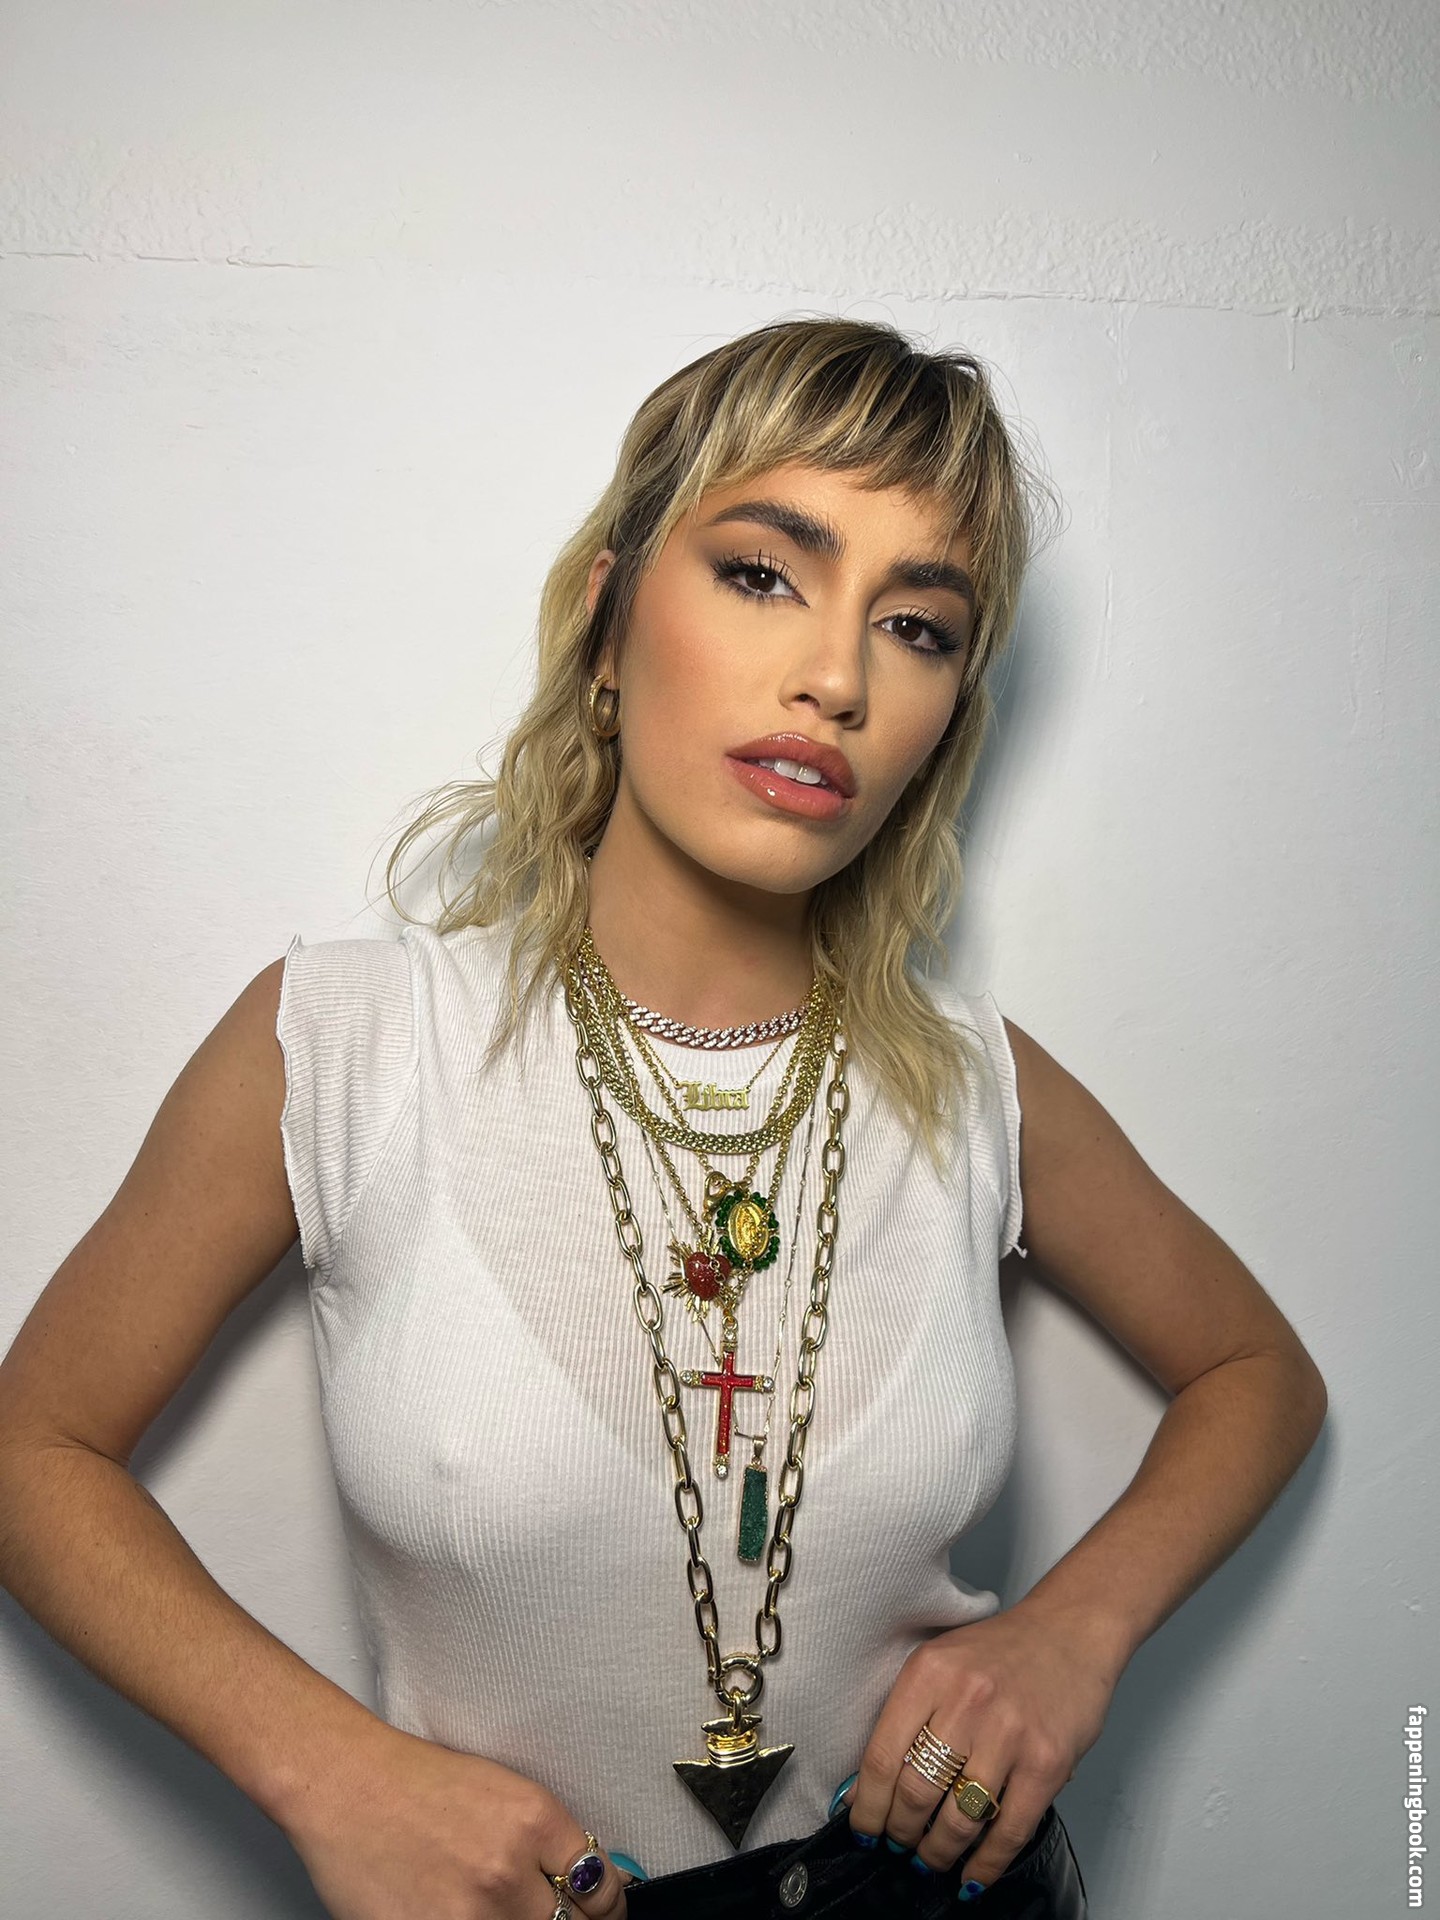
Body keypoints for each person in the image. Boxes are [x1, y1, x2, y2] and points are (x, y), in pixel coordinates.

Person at [0, 316, 1327, 1920]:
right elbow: (31, 1448)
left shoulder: (975, 1079)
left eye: (916, 626)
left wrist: (1070, 1633)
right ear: (608, 618)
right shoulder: (353, 1040)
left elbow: (1259, 1375)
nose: (836, 679)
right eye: (764, 574)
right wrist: (325, 1769)